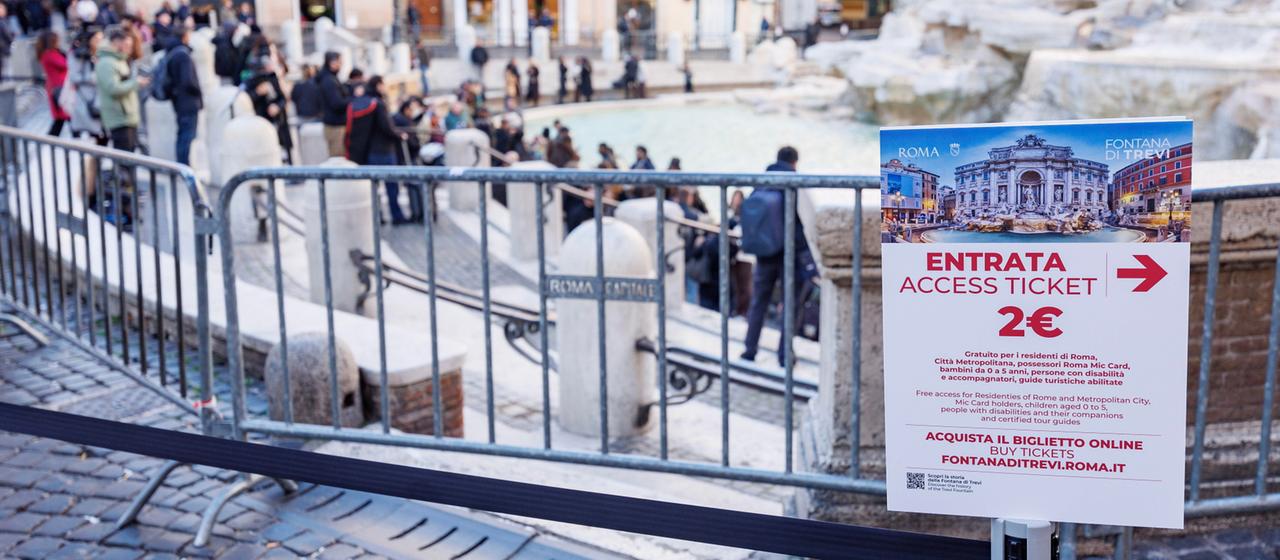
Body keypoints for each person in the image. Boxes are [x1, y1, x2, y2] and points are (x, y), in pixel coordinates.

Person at [740, 146, 815, 366]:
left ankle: (749, 349)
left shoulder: (762, 182)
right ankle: (784, 355)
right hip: (788, 254)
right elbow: (798, 224)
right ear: (795, 162)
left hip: (765, 253)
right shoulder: (791, 183)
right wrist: (807, 259)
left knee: (759, 301)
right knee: (790, 304)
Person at [345, 76, 409, 222]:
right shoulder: (378, 104)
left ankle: (377, 216)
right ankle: (397, 216)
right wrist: (399, 134)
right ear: (379, 85)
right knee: (392, 187)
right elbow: (387, 127)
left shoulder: (365, 103)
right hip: (385, 151)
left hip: (370, 151)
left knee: (374, 188)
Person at [96, 25, 147, 154]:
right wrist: (135, 83)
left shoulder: (118, 59)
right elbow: (113, 89)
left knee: (129, 158)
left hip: (127, 117)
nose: (129, 49)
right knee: (124, 160)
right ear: (117, 42)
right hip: (119, 118)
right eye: (127, 45)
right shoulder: (107, 62)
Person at [163, 26, 203, 165]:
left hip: (179, 100)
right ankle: (184, 166)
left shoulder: (172, 53)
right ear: (184, 36)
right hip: (188, 101)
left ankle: (181, 165)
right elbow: (188, 81)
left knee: (182, 134)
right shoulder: (183, 54)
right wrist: (198, 91)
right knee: (187, 135)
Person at [68, 28, 105, 145]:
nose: (100, 42)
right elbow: (74, 76)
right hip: (85, 99)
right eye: (97, 39)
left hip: (99, 98)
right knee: (92, 132)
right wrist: (92, 77)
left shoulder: (101, 53)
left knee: (102, 135)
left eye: (101, 39)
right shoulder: (78, 54)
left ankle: (98, 161)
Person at [37, 31, 69, 137]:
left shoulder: (52, 53)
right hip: (57, 89)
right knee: (63, 117)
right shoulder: (49, 54)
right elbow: (65, 64)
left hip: (59, 87)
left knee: (61, 118)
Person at [317, 51, 349, 157]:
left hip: (334, 124)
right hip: (335, 126)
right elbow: (336, 104)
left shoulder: (330, 78)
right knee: (338, 158)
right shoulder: (329, 81)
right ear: (332, 63)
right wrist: (353, 99)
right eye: (339, 62)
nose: (341, 65)